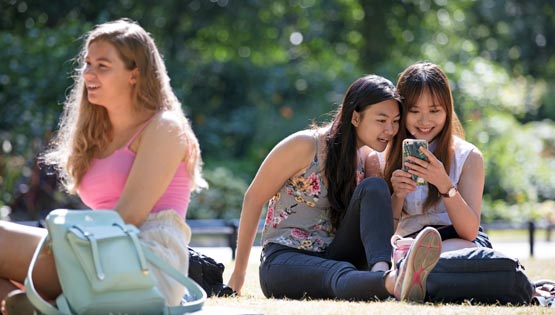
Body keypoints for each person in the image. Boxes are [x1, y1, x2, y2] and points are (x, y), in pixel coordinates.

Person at [0, 18, 206, 314]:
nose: (88, 74)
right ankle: (40, 307)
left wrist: (62, 239)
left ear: (134, 74)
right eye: (87, 63)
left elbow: (130, 216)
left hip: (147, 259)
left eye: (102, 66)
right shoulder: (97, 136)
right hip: (101, 253)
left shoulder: (164, 127)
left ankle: (44, 306)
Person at [227, 74, 443, 302]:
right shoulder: (304, 146)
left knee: (375, 186)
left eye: (396, 121)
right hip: (286, 261)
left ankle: (382, 273)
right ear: (356, 117)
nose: (390, 129)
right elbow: (253, 199)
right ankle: (391, 282)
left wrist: (397, 196)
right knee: (335, 275)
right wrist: (238, 275)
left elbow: (378, 232)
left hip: (337, 256)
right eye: (381, 120)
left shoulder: (368, 159)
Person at [370, 62, 492, 252]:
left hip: (458, 241)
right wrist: (398, 196)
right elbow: (380, 237)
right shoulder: (378, 158)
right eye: (414, 111)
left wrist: (445, 185)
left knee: (455, 252)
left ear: (447, 111)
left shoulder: (468, 157)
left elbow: (469, 232)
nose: (425, 121)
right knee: (410, 255)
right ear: (402, 111)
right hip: (407, 243)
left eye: (434, 111)